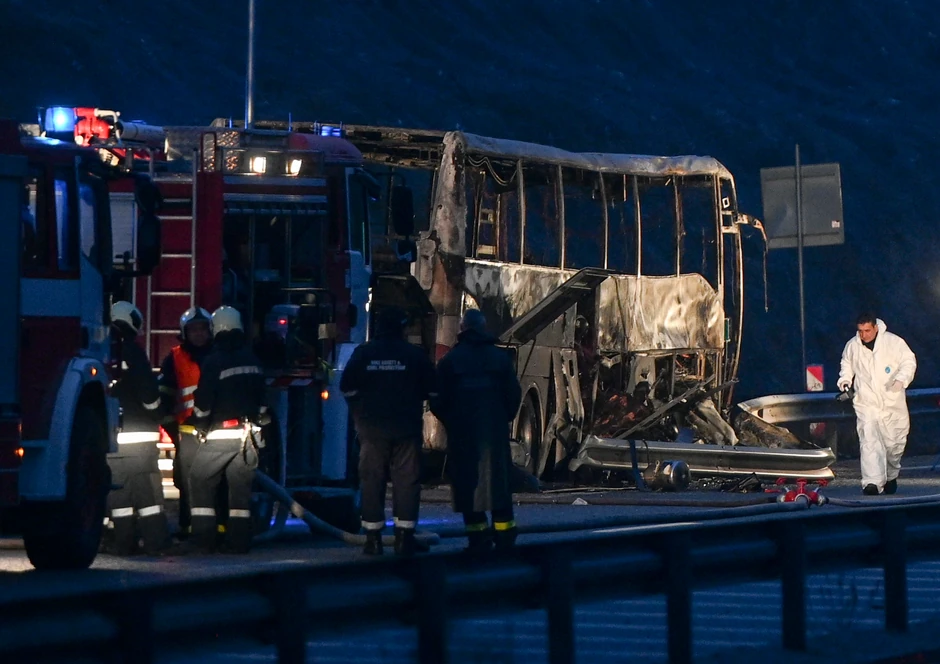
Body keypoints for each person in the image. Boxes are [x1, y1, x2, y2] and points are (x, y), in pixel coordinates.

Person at [340, 306, 436, 557]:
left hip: (372, 430)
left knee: (372, 481)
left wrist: (360, 414)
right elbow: (433, 390)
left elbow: (347, 387)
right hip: (406, 428)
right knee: (407, 482)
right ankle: (404, 538)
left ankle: (373, 540)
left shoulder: (364, 353)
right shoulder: (414, 355)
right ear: (401, 329)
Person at [431, 309, 523, 553]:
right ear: (483, 328)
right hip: (493, 435)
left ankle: (477, 538)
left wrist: (453, 423)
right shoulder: (500, 359)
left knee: (467, 487)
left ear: (462, 329)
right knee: (498, 487)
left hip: (463, 436)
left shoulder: (450, 361)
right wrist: (501, 419)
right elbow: (513, 395)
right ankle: (505, 537)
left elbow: (437, 400)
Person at [187, 306, 267, 553]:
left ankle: (203, 539)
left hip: (221, 434)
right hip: (249, 437)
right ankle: (239, 541)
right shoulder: (252, 359)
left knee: (199, 479)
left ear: (217, 328)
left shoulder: (214, 360)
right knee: (240, 491)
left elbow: (203, 403)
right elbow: (263, 403)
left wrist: (198, 426)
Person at [106, 301, 169, 555]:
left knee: (118, 494)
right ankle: (156, 543)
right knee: (148, 495)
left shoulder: (102, 351)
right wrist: (159, 413)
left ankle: (122, 543)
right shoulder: (132, 352)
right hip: (140, 439)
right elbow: (149, 394)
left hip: (112, 439)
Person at [838, 314, 917, 495]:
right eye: (860, 331)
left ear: (875, 328)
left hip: (892, 402)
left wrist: (901, 380)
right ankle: (872, 482)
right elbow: (846, 364)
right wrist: (845, 381)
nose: (863, 335)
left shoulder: (894, 343)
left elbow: (908, 361)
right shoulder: (853, 346)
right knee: (869, 440)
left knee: (894, 443)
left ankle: (890, 474)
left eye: (867, 330)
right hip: (866, 402)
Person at [158, 306, 213, 538]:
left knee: (213, 481)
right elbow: (165, 393)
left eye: (202, 329)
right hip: (186, 431)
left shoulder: (218, 355)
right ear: (185, 333)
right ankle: (187, 526)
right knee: (184, 480)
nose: (198, 334)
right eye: (193, 330)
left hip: (215, 428)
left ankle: (213, 528)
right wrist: (172, 428)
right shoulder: (175, 358)